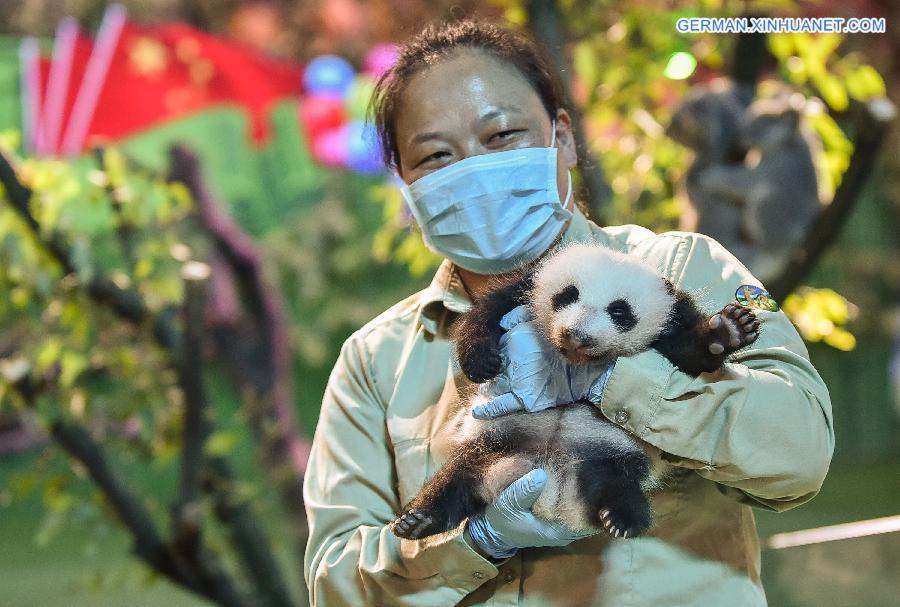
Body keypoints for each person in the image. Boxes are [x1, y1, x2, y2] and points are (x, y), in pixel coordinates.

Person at [303, 19, 833, 607]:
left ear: (563, 138)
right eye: (435, 155)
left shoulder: (684, 269)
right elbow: (334, 583)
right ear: (403, 181)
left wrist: (618, 378)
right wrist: (473, 541)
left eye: (502, 136)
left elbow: (801, 452)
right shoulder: (376, 360)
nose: (474, 169)